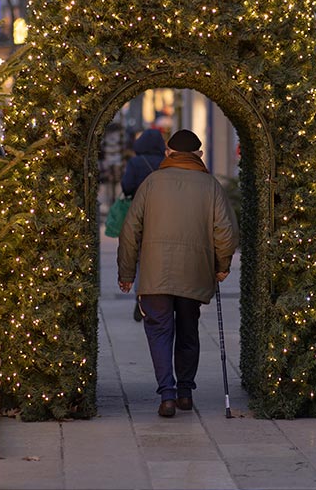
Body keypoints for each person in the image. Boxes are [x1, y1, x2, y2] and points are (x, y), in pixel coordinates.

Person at [117, 129, 239, 418]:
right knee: (188, 329)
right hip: (194, 272)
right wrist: (222, 266)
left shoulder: (151, 183)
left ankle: (167, 395)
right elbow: (226, 232)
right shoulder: (210, 186)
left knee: (159, 331)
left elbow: (130, 230)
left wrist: (127, 273)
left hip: (155, 274)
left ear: (168, 153)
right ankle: (185, 391)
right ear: (199, 155)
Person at [119, 128, 166, 321]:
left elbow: (127, 186)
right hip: (162, 216)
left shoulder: (135, 163)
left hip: (139, 216)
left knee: (139, 258)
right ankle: (159, 295)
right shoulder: (166, 163)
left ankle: (140, 297)